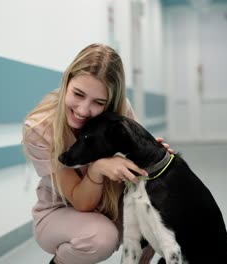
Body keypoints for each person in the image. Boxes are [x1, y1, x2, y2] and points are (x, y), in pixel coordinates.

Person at [22, 43, 171, 264]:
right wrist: (99, 167)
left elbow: (142, 167)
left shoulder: (121, 111)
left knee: (157, 210)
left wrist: (153, 158)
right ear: (67, 81)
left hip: (110, 207)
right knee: (101, 238)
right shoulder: (40, 128)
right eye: (78, 94)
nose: (83, 110)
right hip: (58, 214)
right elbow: (81, 202)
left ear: (110, 104)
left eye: (98, 103)